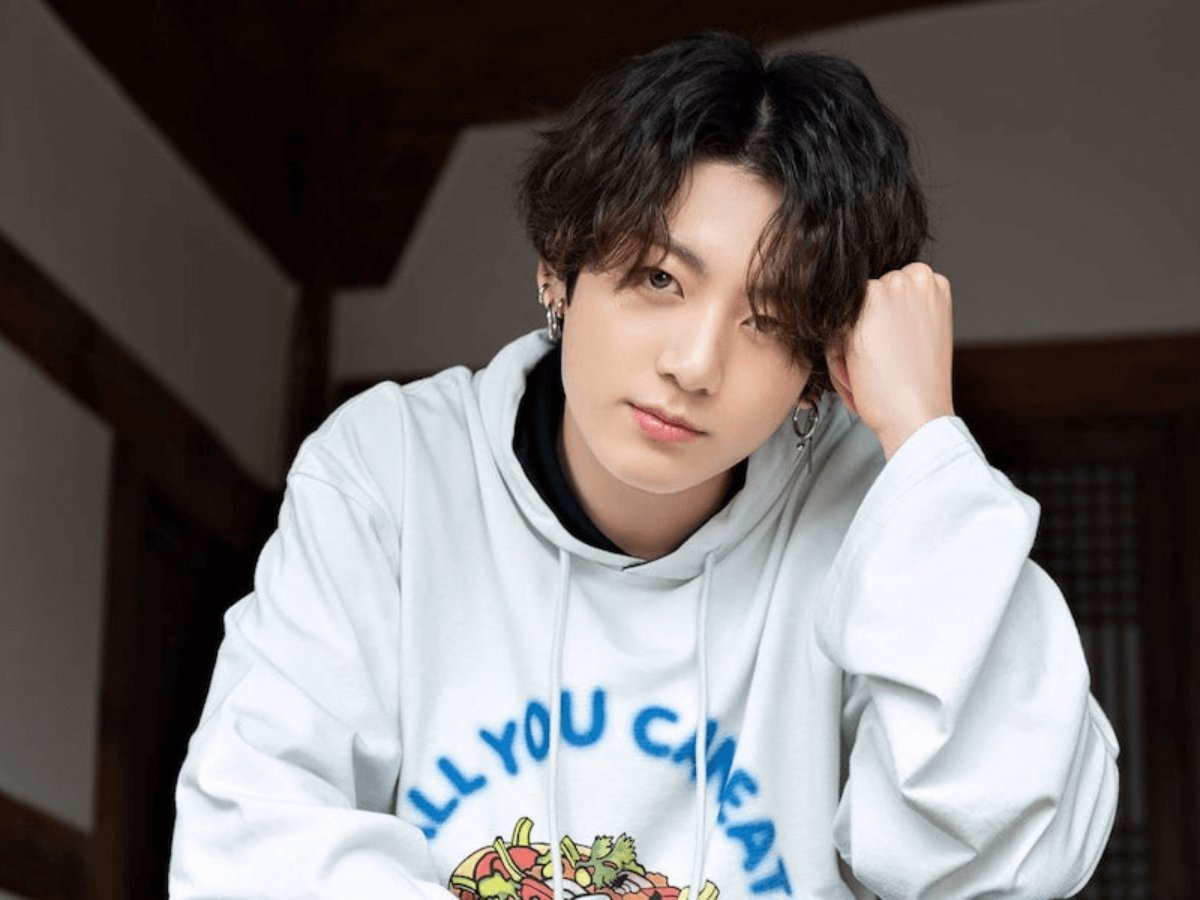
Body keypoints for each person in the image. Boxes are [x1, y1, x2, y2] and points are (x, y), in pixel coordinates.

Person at [168, 31, 1118, 900]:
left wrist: (923, 438)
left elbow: (1006, 866)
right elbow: (247, 846)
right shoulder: (395, 470)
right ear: (559, 266)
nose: (695, 365)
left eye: (770, 319)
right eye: (660, 279)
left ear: (816, 363)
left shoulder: (876, 513)